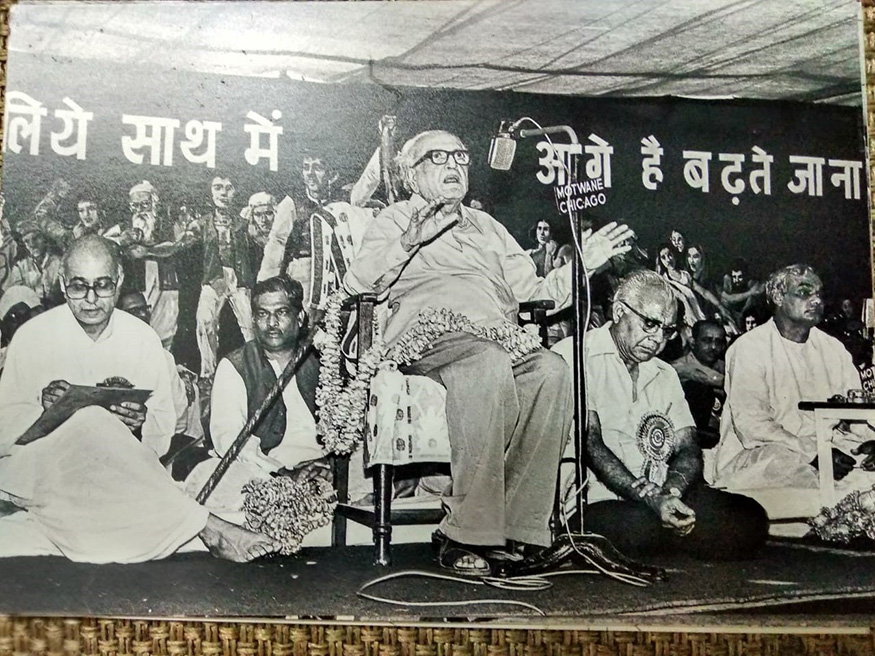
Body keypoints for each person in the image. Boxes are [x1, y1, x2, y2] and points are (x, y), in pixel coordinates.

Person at [345, 129, 633, 575]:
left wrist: (584, 263)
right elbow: (359, 283)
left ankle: (521, 529)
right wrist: (409, 241)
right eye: (437, 158)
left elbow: (536, 294)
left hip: (496, 338)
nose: (453, 165)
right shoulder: (395, 219)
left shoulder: (490, 228)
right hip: (427, 340)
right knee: (487, 360)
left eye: (460, 156)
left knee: (551, 371)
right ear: (410, 174)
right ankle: (462, 532)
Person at [0, 235, 279, 563]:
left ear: (118, 282)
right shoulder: (34, 336)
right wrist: (44, 410)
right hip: (49, 468)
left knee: (100, 429)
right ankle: (209, 527)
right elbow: (6, 435)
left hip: (120, 468)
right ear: (62, 284)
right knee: (91, 422)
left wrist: (138, 426)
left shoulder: (142, 339)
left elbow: (160, 437)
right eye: (78, 286)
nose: (91, 299)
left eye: (102, 285)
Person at [553, 270, 767, 560]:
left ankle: (669, 530)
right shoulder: (574, 355)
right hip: (598, 498)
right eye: (650, 324)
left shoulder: (664, 373)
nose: (658, 339)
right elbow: (591, 445)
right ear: (618, 312)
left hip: (662, 494)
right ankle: (670, 534)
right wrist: (650, 499)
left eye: (667, 330)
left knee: (750, 517)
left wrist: (672, 491)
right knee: (639, 528)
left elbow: (688, 447)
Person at [710, 264, 875, 492]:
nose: (817, 300)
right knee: (801, 477)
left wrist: (870, 442)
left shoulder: (833, 348)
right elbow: (752, 426)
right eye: (805, 292)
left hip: (830, 449)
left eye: (819, 294)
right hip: (763, 455)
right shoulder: (749, 348)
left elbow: (857, 415)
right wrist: (813, 453)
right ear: (778, 296)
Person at [184, 275, 327, 526]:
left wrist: (330, 466)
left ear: (300, 318)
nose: (271, 323)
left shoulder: (324, 360)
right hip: (266, 471)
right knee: (209, 475)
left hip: (323, 468)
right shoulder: (236, 365)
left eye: (281, 312)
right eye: (262, 314)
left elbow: (351, 426)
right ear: (253, 319)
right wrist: (281, 473)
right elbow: (229, 439)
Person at [191, 175, 256, 380]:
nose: (223, 193)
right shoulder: (202, 223)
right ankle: (208, 373)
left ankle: (257, 367)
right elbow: (185, 241)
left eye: (229, 188)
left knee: (249, 323)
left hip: (238, 279)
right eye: (218, 188)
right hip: (214, 278)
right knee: (204, 320)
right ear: (210, 192)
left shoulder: (243, 224)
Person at [117, 290, 203, 445]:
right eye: (134, 311)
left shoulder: (162, 356)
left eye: (145, 309)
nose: (143, 315)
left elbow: (178, 416)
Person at [118, 181, 181, 350]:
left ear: (154, 204)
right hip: (139, 287)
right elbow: (107, 240)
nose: (139, 210)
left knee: (165, 337)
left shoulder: (168, 225)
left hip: (167, 286)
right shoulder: (126, 228)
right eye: (135, 206)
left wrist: (147, 251)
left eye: (144, 204)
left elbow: (175, 246)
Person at [671, 320, 727, 445]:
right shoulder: (677, 367)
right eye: (707, 341)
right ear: (693, 342)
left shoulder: (727, 367)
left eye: (718, 342)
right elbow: (702, 375)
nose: (713, 347)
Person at [3, 220, 62, 306]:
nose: (32, 244)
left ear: (44, 239)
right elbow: (14, 295)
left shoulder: (58, 262)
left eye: (35, 238)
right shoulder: (20, 267)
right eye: (26, 241)